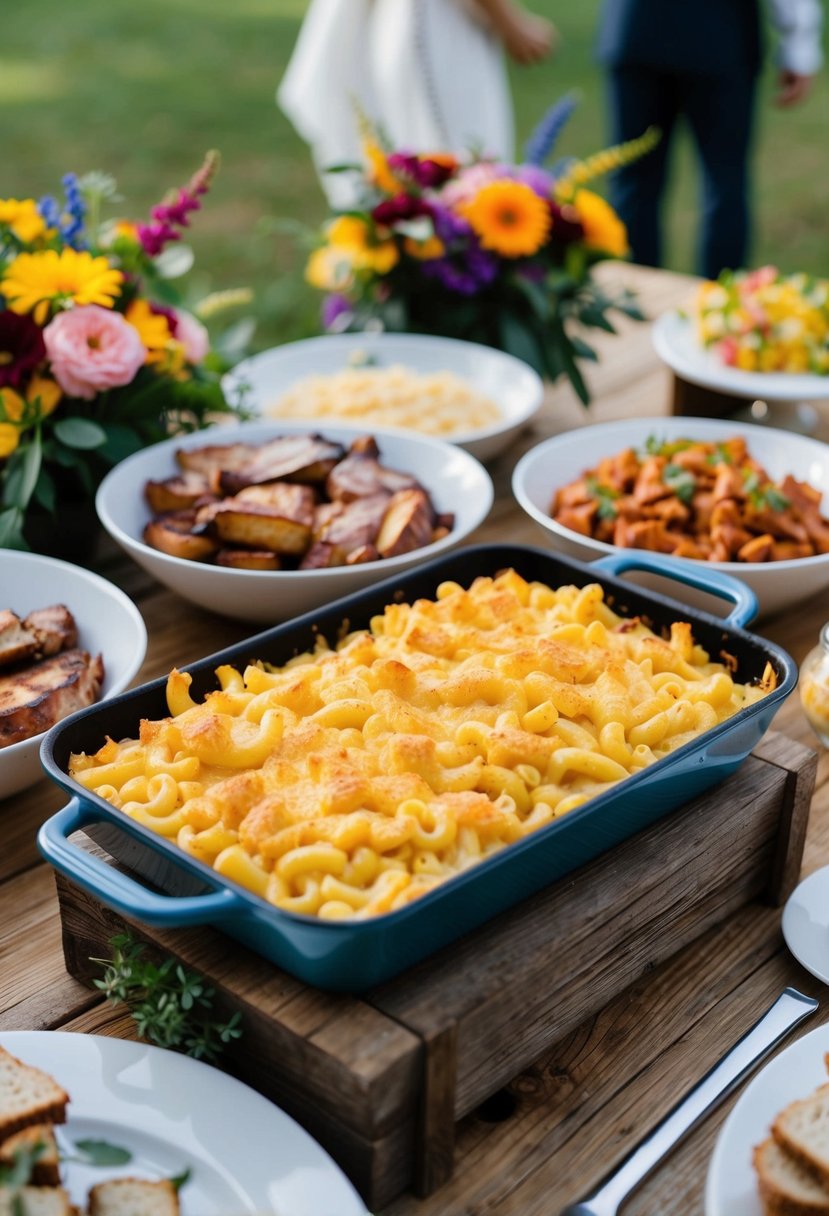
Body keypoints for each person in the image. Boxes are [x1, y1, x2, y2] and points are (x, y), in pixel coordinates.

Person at [597, 0, 824, 278]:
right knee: (724, 179)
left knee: (635, 180)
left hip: (635, 29)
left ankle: (630, 304)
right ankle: (718, 309)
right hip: (720, 35)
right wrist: (799, 44)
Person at [278, 0, 556, 208]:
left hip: (426, 23)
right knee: (460, 187)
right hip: (438, 27)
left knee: (431, 189)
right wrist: (512, 24)